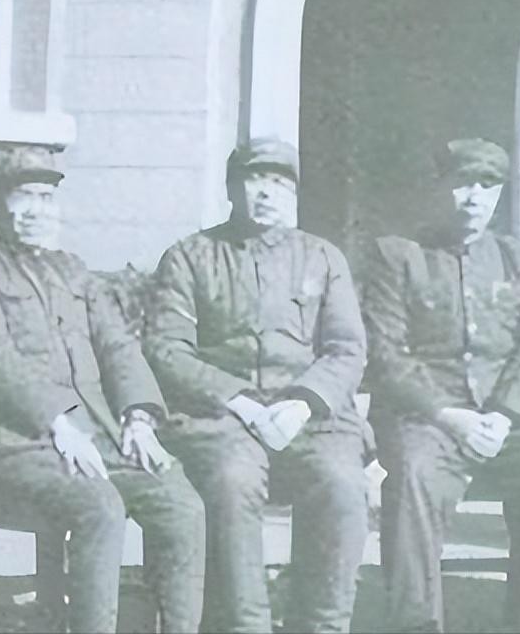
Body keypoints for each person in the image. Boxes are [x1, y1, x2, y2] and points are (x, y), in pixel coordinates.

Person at [0, 146, 205, 633]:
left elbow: (118, 346)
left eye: (47, 197)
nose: (37, 210)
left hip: (96, 438)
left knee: (181, 504)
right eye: (24, 196)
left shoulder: (74, 272)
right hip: (11, 443)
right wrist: (57, 420)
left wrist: (139, 417)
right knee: (99, 506)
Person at [362, 137, 520, 633]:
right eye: (464, 183)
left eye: (488, 186)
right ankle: (416, 624)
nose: (475, 197)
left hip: (511, 418)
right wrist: (450, 416)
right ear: (440, 185)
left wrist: (504, 415)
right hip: (431, 418)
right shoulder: (399, 256)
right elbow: (386, 353)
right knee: (415, 475)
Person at [143, 137, 369, 634]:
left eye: (280, 182)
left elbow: (347, 348)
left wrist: (303, 403)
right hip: (223, 417)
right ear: (231, 188)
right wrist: (239, 400)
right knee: (233, 481)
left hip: (312, 419)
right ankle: (245, 625)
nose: (267, 192)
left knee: (343, 485)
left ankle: (323, 626)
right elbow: (167, 348)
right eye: (254, 179)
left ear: (294, 193)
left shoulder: (323, 257)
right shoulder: (190, 256)